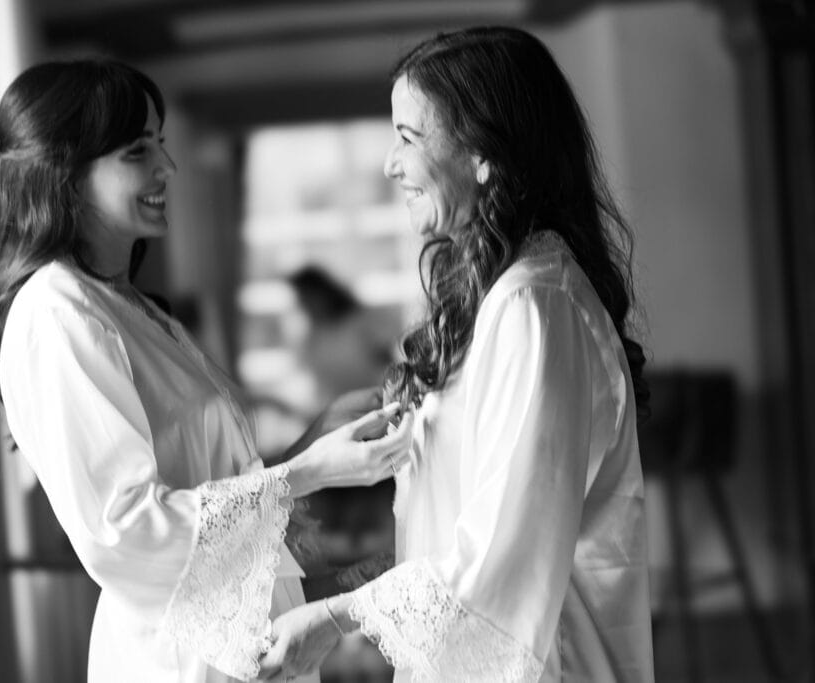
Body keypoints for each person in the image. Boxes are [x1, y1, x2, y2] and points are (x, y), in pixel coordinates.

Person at [0, 60, 413, 683]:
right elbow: (126, 532)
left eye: (162, 146)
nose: (166, 169)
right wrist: (310, 471)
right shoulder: (56, 311)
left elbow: (210, 484)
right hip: (181, 661)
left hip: (237, 648)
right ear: (65, 172)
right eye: (137, 151)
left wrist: (315, 440)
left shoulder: (131, 309)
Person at [258, 26, 654, 682]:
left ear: (484, 154)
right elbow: (460, 524)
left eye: (408, 137)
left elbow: (502, 556)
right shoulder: (500, 296)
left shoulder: (536, 305)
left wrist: (336, 615)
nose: (390, 164)